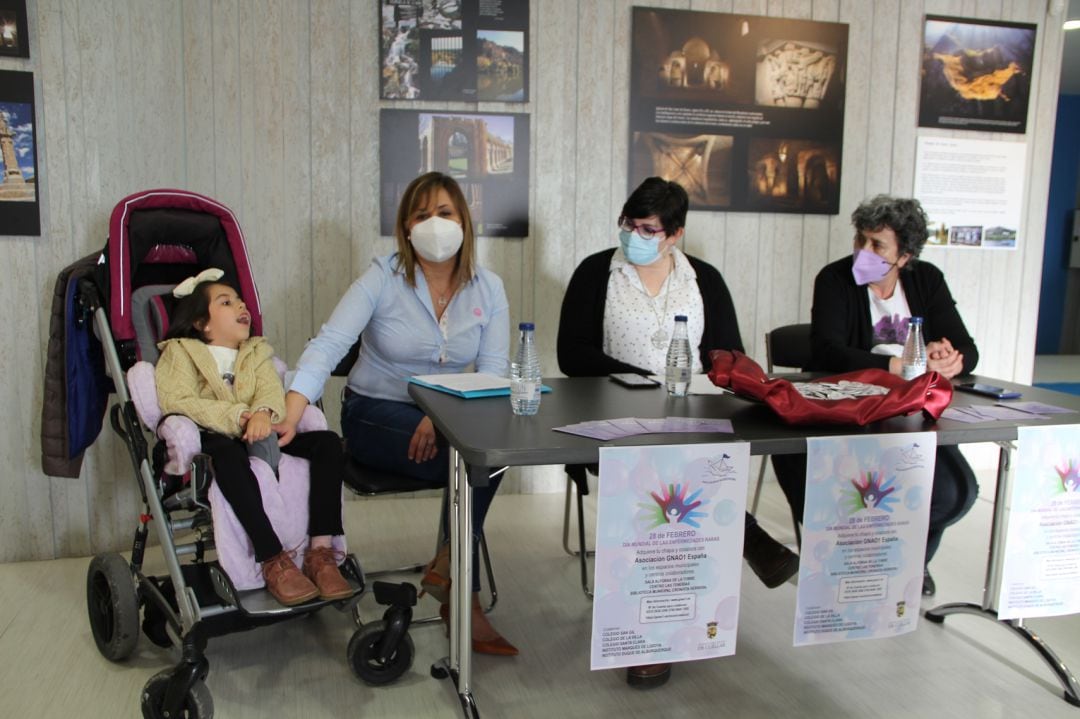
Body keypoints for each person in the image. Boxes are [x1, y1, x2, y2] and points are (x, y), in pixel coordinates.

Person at [557, 177, 800, 688]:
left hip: (688, 416)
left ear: (675, 235)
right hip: (613, 417)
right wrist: (639, 378)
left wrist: (700, 378)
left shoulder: (703, 278)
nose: (634, 235)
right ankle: (742, 541)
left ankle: (663, 628)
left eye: (648, 229)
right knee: (666, 479)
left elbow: (729, 353)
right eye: (629, 224)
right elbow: (572, 355)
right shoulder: (595, 273)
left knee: (685, 471)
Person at [278, 172, 517, 656]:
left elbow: (493, 373)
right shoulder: (381, 278)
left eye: (445, 213)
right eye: (421, 214)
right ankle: (460, 593)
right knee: (470, 459)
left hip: (448, 419)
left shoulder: (488, 288)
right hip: (374, 413)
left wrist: (441, 409)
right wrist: (291, 409)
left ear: (464, 223)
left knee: (489, 452)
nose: (435, 223)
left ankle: (450, 572)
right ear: (405, 227)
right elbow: (328, 345)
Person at [771, 194, 979, 597]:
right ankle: (861, 561)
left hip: (910, 411)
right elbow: (827, 351)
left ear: (905, 256)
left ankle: (910, 562)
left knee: (956, 492)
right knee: (835, 496)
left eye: (877, 245)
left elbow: (967, 347)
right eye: (860, 240)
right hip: (849, 409)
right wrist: (897, 367)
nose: (863, 252)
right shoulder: (835, 279)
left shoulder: (926, 280)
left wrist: (952, 360)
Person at [155, 270, 351, 607]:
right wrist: (237, 416)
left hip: (262, 430)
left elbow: (270, 389)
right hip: (217, 434)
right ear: (203, 323)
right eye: (226, 302)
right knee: (228, 455)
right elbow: (178, 399)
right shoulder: (181, 352)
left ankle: (319, 551)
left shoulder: (257, 350)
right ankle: (273, 557)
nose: (241, 306)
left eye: (241, 301)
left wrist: (261, 412)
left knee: (328, 443)